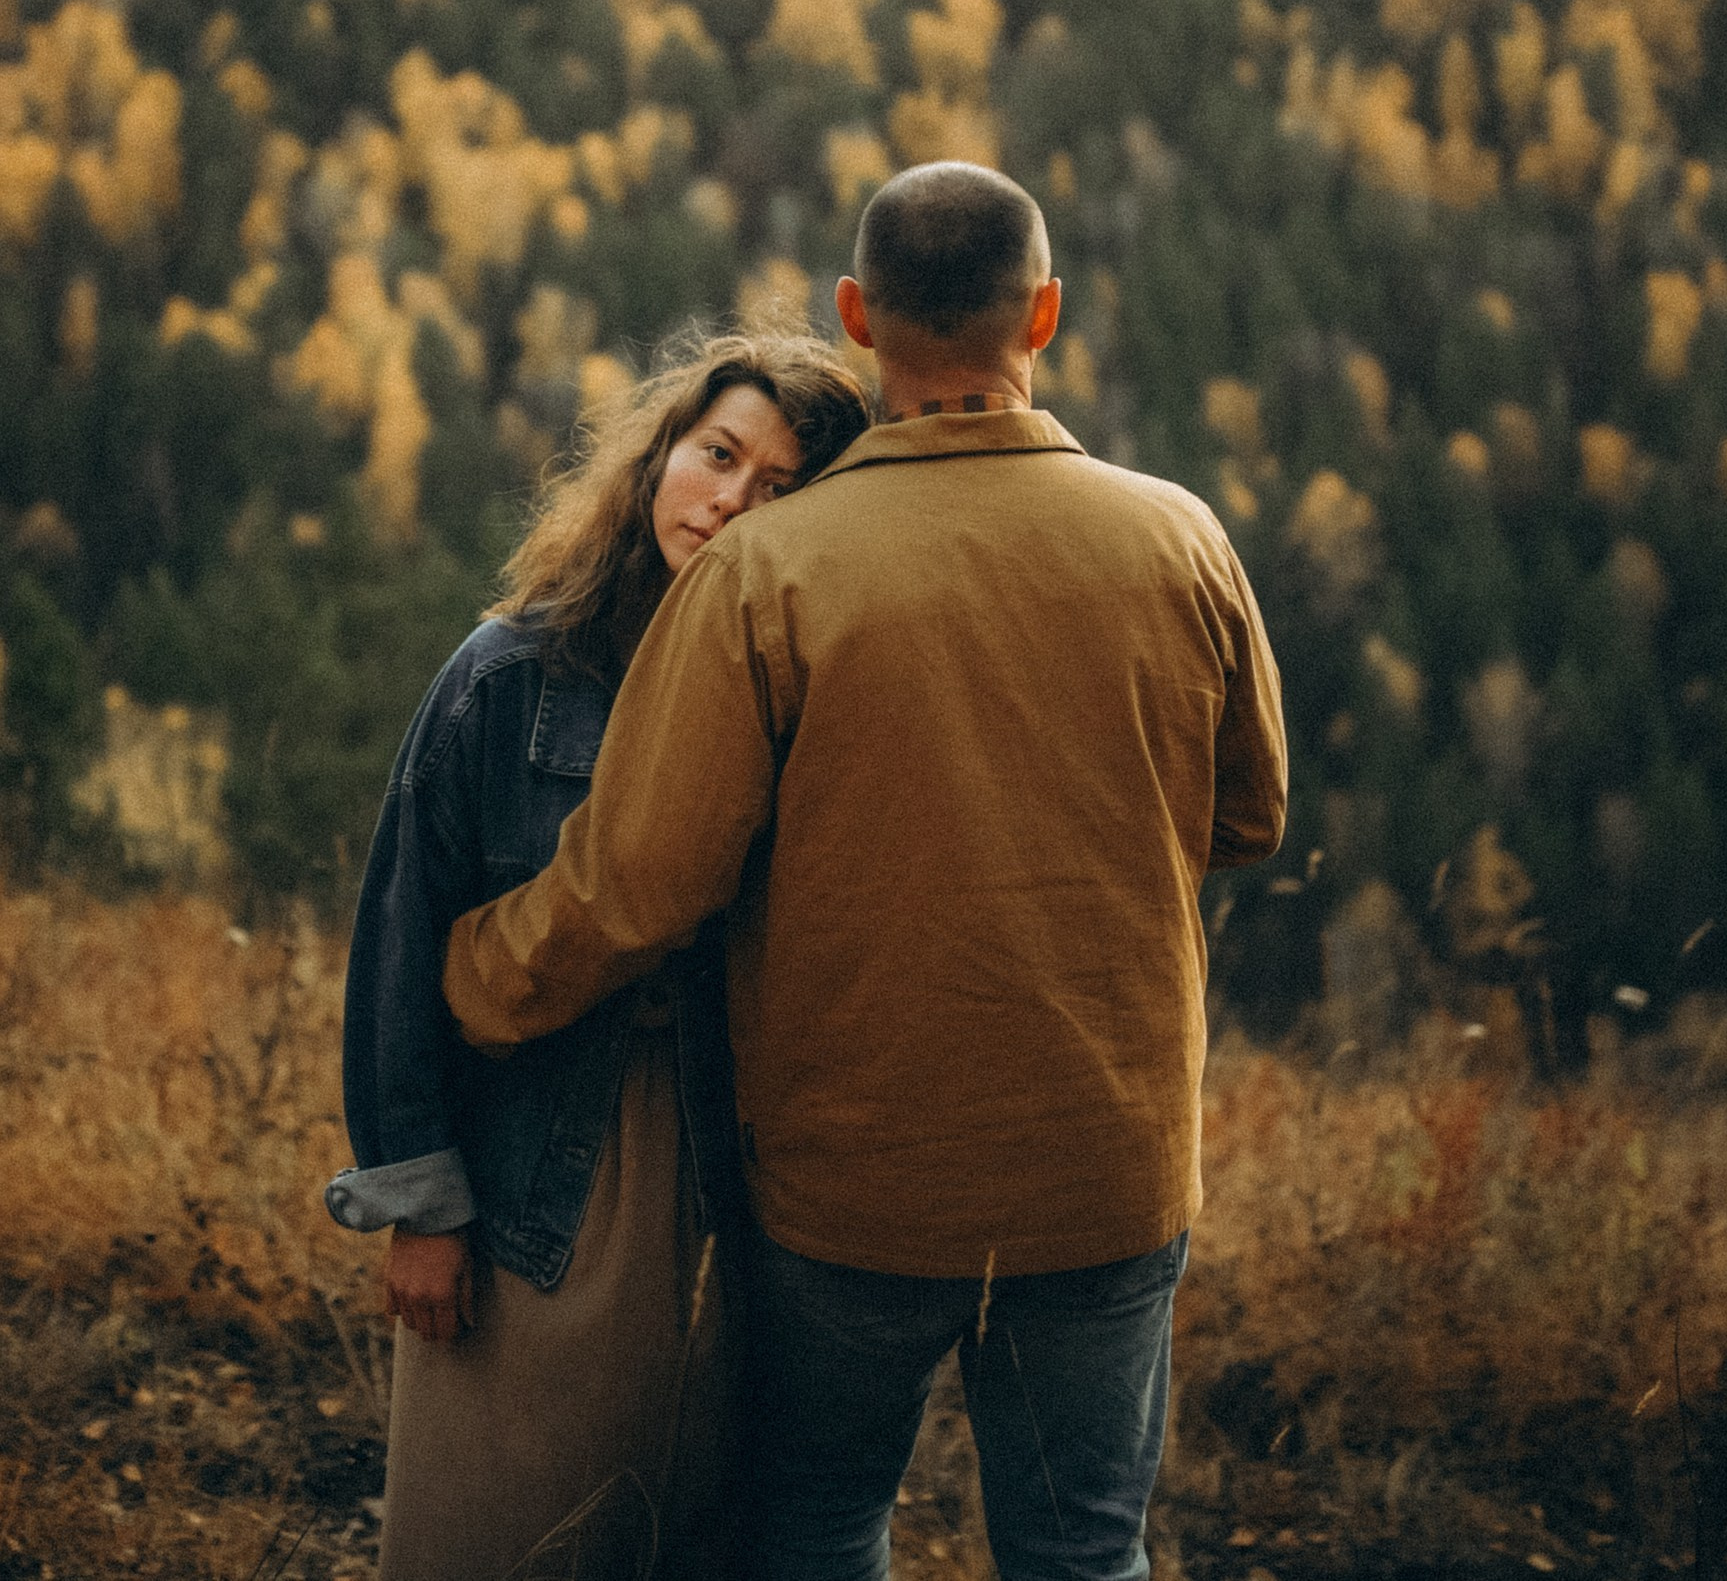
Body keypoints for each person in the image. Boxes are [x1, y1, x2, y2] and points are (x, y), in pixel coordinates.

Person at [441, 161, 1289, 1581]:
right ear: (1045, 314)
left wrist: (474, 975)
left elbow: (640, 885)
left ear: (854, 315)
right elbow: (1249, 816)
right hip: (1105, 1167)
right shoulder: (1178, 536)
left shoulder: (767, 572)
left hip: (850, 1190)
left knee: (819, 1529)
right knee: (1085, 1548)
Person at [325, 330, 872, 1581]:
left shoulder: (808, 698)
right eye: (716, 454)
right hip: (536, 1153)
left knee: (688, 1523)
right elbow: (400, 939)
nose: (730, 500)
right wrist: (419, 1207)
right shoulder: (509, 677)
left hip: (738, 1165)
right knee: (495, 1527)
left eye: (779, 485)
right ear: (659, 454)